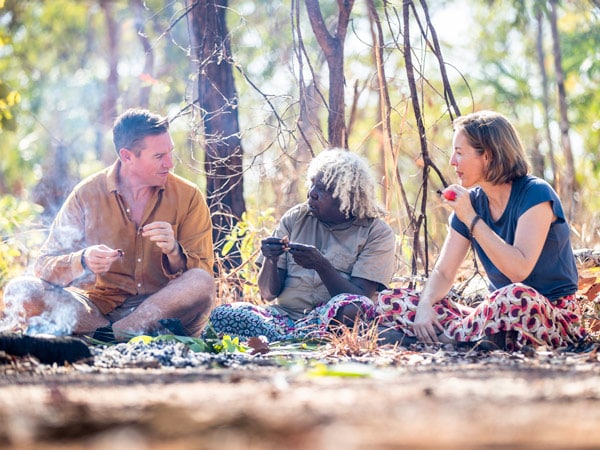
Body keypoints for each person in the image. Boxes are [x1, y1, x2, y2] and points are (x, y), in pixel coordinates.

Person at [377, 110, 586, 351]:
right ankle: (468, 336)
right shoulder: (472, 202)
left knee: (516, 296)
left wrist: (471, 218)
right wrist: (425, 304)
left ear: (487, 156)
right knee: (392, 300)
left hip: (544, 313)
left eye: (459, 153)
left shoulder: (536, 194)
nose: (452, 162)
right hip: (490, 314)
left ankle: (438, 339)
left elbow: (519, 270)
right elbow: (444, 272)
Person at [1, 108, 215, 341]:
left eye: (169, 153)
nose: (170, 163)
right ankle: (114, 335)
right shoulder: (87, 194)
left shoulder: (189, 196)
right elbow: (44, 267)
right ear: (127, 156)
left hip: (163, 309)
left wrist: (174, 252)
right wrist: (81, 260)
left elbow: (202, 272)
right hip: (96, 312)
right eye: (158, 156)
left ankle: (111, 337)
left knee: (201, 282)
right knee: (21, 289)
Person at [207, 148, 397, 342]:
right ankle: (292, 337)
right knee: (222, 314)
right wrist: (271, 260)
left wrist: (321, 266)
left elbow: (362, 298)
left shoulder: (376, 232)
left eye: (322, 189)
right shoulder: (296, 217)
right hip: (282, 316)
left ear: (347, 196)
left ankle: (284, 337)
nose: (311, 194)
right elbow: (267, 294)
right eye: (312, 184)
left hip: (329, 318)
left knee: (355, 309)